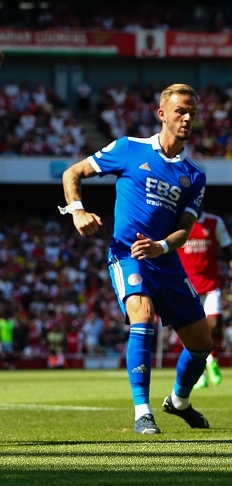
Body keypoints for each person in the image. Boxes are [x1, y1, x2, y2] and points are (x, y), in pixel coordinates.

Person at [60, 83, 213, 435]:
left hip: (165, 260)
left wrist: (161, 246)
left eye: (192, 112)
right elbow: (73, 172)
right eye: (180, 111)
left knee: (202, 345)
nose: (187, 118)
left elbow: (184, 231)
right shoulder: (129, 148)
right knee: (143, 317)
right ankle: (142, 412)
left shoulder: (195, 175)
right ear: (162, 114)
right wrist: (77, 210)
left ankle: (179, 402)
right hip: (127, 254)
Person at [176, 207, 232, 389]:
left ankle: (212, 359)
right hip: (185, 287)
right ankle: (199, 373)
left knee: (215, 325)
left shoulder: (214, 222)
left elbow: (227, 250)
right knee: (190, 332)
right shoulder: (177, 221)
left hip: (210, 286)